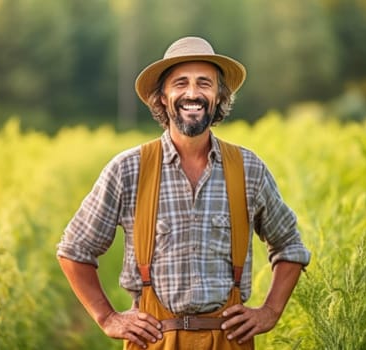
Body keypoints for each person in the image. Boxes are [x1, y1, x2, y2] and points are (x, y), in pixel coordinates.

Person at [57, 36, 311, 349]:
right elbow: (74, 249)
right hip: (154, 341)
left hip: (228, 341)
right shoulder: (128, 169)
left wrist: (270, 311)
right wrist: (108, 318)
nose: (192, 93)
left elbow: (290, 245)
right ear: (162, 96)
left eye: (204, 83)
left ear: (218, 96)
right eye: (180, 83)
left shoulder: (248, 169)